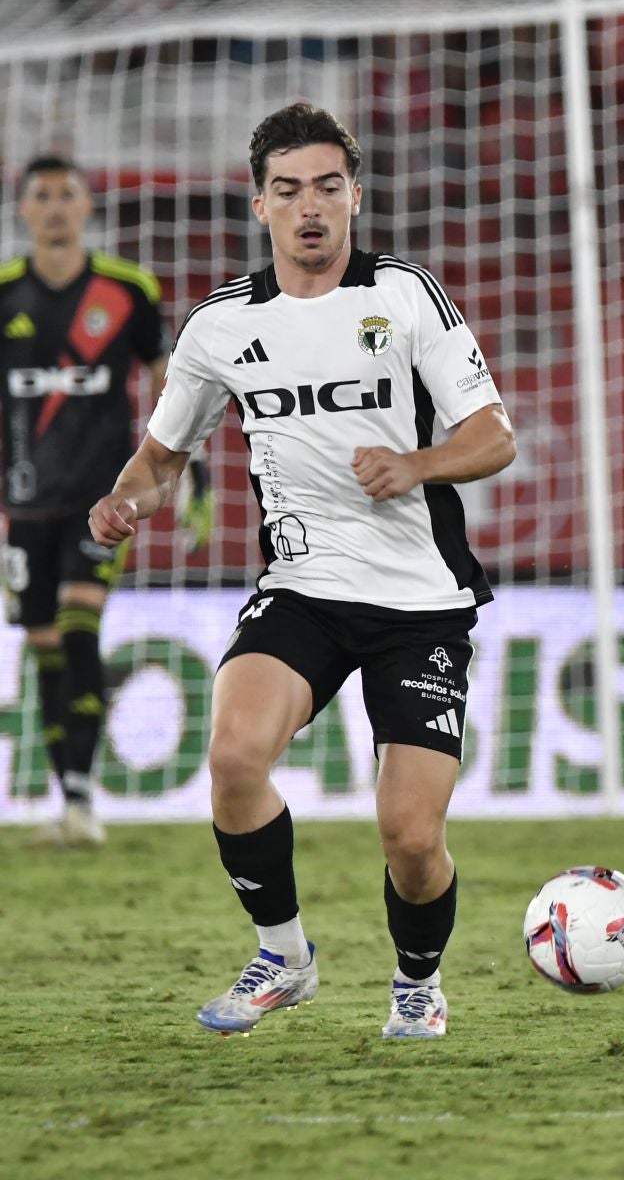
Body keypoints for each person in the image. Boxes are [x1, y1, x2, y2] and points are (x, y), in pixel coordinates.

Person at [88, 103, 515, 1039]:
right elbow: (162, 458)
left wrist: (416, 464)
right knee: (235, 758)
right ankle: (283, 953)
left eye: (327, 187)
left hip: (419, 601)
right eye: (289, 191)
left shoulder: (405, 295)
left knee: (410, 837)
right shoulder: (220, 327)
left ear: (355, 196)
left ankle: (417, 978)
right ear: (260, 205)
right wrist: (128, 500)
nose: (309, 207)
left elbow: (493, 437)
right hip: (303, 584)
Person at [2, 155, 192, 848]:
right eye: (41, 196)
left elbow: (172, 383)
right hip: (21, 503)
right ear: (23, 210)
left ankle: (82, 806)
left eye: (67, 195)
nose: (54, 206)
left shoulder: (127, 291)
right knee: (46, 643)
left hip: (101, 500)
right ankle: (72, 800)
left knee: (80, 625)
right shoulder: (4, 295)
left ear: (88, 207)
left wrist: (179, 470)